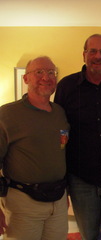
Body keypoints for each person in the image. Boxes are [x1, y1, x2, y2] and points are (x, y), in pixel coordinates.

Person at [54, 34, 101, 240]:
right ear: (84, 54)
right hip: (81, 180)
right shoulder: (66, 86)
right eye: (93, 51)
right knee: (89, 236)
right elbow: (58, 130)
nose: (98, 56)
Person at [0, 56, 69, 239]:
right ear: (25, 79)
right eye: (39, 72)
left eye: (51, 72)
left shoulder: (60, 113)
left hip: (58, 201)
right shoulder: (7, 114)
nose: (46, 77)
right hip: (23, 203)